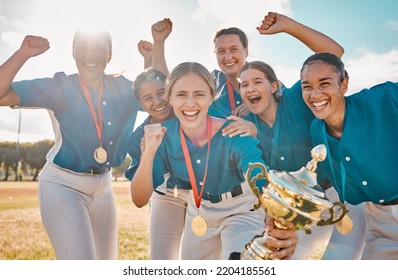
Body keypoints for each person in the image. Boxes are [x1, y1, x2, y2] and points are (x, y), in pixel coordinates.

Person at [127, 61, 298, 260]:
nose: (190, 103)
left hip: (241, 209)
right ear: (170, 98)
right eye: (181, 94)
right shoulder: (163, 138)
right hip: (200, 209)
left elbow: (258, 174)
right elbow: (139, 199)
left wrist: (276, 215)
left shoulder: (233, 131)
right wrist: (148, 152)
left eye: (199, 94)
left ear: (211, 97)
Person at [234, 12, 366, 260]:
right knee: (279, 261)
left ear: (274, 87)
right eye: (244, 84)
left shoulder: (295, 99)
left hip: (341, 195)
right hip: (299, 207)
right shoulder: (245, 124)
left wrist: (288, 26)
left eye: (257, 82)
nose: (250, 88)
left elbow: (333, 53)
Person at [0, 29, 140, 259]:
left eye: (98, 49)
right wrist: (23, 53)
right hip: (63, 184)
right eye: (82, 48)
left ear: (110, 55)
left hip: (104, 186)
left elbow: (165, 98)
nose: (90, 55)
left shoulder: (124, 87)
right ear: (73, 52)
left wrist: (155, 50)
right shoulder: (59, 86)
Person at [300, 52, 398, 260]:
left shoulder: (385, 96)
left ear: (343, 85)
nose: (315, 94)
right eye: (307, 86)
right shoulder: (317, 130)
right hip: (379, 222)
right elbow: (346, 191)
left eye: (324, 83)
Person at [125, 18, 190, 260]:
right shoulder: (138, 138)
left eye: (161, 93)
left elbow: (164, 76)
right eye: (148, 98)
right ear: (141, 104)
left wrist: (159, 44)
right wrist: (147, 154)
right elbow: (139, 199)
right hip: (167, 197)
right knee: (161, 262)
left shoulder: (186, 113)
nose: (158, 101)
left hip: (203, 195)